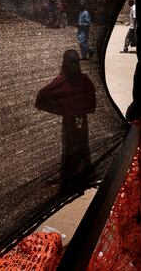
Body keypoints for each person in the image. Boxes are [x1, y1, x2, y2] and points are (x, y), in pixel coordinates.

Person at [35, 50, 96, 192]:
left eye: (76, 63)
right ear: (65, 64)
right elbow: (43, 96)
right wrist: (64, 109)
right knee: (71, 147)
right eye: (71, 63)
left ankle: (78, 176)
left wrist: (79, 110)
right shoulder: (63, 80)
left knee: (80, 145)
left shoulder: (82, 80)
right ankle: (72, 177)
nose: (74, 66)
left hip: (79, 119)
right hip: (71, 121)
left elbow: (91, 100)